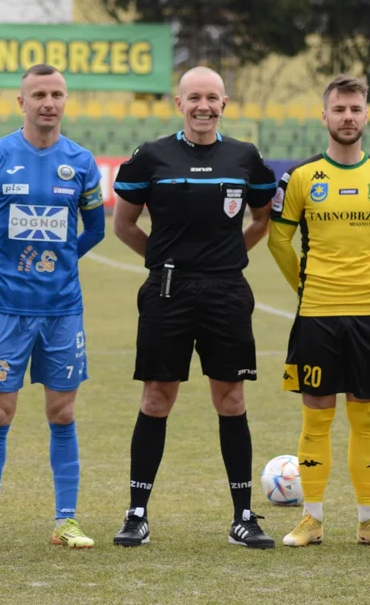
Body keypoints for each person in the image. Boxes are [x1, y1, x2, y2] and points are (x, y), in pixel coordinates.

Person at [110, 66, 278, 549]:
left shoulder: (245, 157)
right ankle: (137, 512)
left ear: (225, 103)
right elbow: (124, 224)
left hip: (226, 291)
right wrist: (163, 264)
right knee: (157, 398)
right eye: (194, 98)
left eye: (212, 98)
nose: (203, 106)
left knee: (232, 399)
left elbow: (262, 218)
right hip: (168, 293)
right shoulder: (151, 156)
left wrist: (229, 259)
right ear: (178, 102)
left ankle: (243, 516)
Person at [0, 64, 105, 551]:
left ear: (66, 101)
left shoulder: (82, 162)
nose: (48, 102)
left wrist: (59, 263)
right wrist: (1, 262)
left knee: (62, 414)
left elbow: (96, 230)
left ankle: (66, 521)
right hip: (5, 306)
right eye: (38, 94)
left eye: (57, 94)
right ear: (21, 102)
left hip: (63, 308)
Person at [267, 75, 370, 549]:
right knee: (316, 418)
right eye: (339, 109)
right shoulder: (302, 178)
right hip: (318, 316)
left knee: (367, 420)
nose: (348, 117)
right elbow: (279, 239)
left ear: (366, 115)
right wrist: (307, 287)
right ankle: (311, 519)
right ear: (324, 116)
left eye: (355, 109)